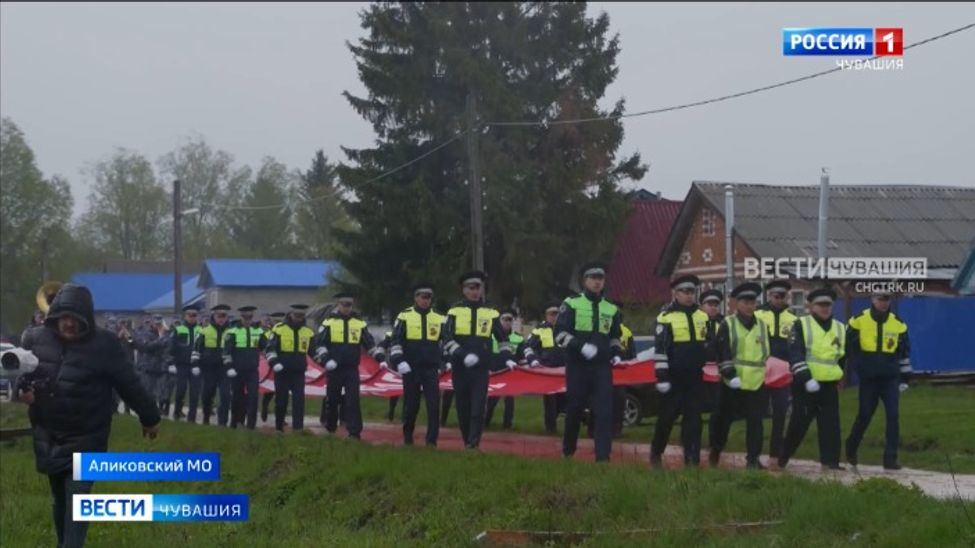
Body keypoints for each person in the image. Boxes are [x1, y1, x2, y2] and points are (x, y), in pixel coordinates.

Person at [17, 283, 160, 548]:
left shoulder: (105, 345)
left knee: (78, 501)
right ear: (55, 315)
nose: (69, 324)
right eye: (65, 318)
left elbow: (129, 383)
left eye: (76, 319)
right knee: (60, 499)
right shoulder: (34, 339)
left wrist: (149, 417)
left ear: (87, 319)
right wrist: (22, 391)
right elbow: (18, 376)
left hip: (87, 437)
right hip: (48, 435)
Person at [555, 261, 624, 462]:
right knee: (575, 409)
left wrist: (616, 352)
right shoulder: (571, 303)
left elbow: (614, 336)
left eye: (600, 278)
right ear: (585, 281)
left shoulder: (611, 308)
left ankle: (603, 456)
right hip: (577, 365)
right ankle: (568, 451)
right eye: (593, 278)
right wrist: (579, 346)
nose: (596, 282)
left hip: (602, 367)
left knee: (604, 410)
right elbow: (559, 334)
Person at [443, 271, 514, 449]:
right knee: (462, 406)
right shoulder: (454, 311)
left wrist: (507, 358)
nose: (475, 291)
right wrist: (462, 354)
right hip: (460, 367)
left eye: (478, 288)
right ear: (464, 290)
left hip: (481, 368)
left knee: (478, 407)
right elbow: (447, 338)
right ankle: (466, 439)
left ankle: (473, 443)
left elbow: (502, 338)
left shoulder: (490, 312)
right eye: (471, 288)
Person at [779, 288, 847, 471]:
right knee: (798, 425)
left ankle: (830, 462)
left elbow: (842, 357)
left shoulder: (840, 327)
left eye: (828, 305)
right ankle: (782, 458)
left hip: (828, 386)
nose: (825, 309)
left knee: (831, 425)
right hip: (805, 385)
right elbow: (795, 353)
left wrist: (839, 375)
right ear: (811, 306)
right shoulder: (801, 325)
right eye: (820, 305)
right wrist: (806, 378)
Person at [845, 289, 912, 470]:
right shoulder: (858, 320)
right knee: (865, 415)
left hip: (890, 379)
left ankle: (890, 459)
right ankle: (851, 447)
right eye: (880, 299)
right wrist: (857, 367)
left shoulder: (898, 324)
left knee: (893, 416)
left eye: (887, 299)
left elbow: (904, 352)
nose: (884, 303)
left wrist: (905, 378)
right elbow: (849, 346)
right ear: (872, 299)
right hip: (869, 379)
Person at [708, 282, 771, 469]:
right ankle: (716, 450)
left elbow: (766, 353)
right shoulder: (728, 324)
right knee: (723, 420)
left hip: (756, 382)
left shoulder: (762, 325)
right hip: (732, 382)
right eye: (745, 302)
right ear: (737, 304)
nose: (749, 306)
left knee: (756, 423)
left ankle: (753, 459)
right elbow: (722, 351)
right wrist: (729, 373)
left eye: (752, 302)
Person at [650, 275, 709, 467]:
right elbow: (661, 350)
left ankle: (692, 458)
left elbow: (707, 343)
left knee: (694, 420)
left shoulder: (702, 316)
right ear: (675, 293)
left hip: (695, 377)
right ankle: (656, 453)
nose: (689, 296)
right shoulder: (665, 317)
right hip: (674, 377)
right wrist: (662, 377)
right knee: (667, 418)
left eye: (692, 292)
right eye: (685, 292)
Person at [314, 293, 386, 439]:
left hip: (352, 368)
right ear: (338, 305)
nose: (347, 308)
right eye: (344, 305)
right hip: (334, 368)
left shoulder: (358, 323)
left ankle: (354, 432)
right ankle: (331, 426)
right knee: (332, 399)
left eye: (349, 305)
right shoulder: (329, 323)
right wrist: (326, 360)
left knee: (352, 400)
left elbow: (369, 344)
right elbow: (319, 345)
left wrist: (380, 358)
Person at [389, 283, 445, 446]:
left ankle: (431, 440)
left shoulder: (439, 318)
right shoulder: (404, 316)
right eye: (422, 297)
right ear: (416, 298)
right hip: (411, 367)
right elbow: (396, 339)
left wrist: (445, 362)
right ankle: (407, 437)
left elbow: (446, 340)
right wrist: (399, 361)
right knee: (411, 405)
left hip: (431, 368)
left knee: (434, 405)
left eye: (428, 297)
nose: (425, 301)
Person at [754, 280, 798, 461]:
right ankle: (754, 452)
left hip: (783, 371)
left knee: (780, 411)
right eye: (776, 296)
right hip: (761, 369)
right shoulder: (758, 315)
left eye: (782, 296)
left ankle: (775, 451)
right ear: (769, 296)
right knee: (757, 412)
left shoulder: (794, 319)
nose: (779, 299)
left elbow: (795, 346)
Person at [265, 305, 316, 432]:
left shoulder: (307, 331)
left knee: (299, 401)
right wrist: (274, 362)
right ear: (291, 314)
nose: (299, 318)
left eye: (301, 316)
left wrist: (325, 362)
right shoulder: (279, 329)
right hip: (282, 372)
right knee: (281, 401)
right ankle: (279, 427)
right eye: (296, 315)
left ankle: (298, 429)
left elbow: (313, 352)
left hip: (298, 372)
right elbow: (270, 349)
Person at [523, 303, 566, 434]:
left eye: (557, 313)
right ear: (546, 315)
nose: (555, 316)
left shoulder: (564, 329)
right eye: (552, 314)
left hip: (563, 371)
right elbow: (528, 346)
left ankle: (557, 421)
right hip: (548, 371)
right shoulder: (539, 330)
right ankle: (550, 428)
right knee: (550, 401)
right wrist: (533, 360)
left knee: (563, 400)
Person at [223, 306, 264, 429]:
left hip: (252, 370)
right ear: (240, 317)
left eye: (250, 318)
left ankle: (251, 425)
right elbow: (226, 352)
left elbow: (266, 346)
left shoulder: (258, 331)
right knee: (237, 397)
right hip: (237, 370)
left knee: (253, 398)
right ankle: (236, 422)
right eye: (245, 318)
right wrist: (229, 367)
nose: (248, 320)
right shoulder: (232, 332)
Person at [192, 304, 233, 426]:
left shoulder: (231, 332)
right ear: (213, 316)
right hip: (208, 368)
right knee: (207, 394)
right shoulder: (204, 331)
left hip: (224, 368)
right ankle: (206, 416)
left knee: (225, 395)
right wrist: (195, 364)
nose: (221, 319)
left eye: (223, 316)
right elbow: (196, 349)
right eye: (218, 316)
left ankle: (222, 423)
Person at [485, 310, 524, 430]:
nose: (507, 322)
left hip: (509, 372)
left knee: (509, 401)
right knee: (492, 399)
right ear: (499, 321)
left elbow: (520, 355)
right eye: (505, 319)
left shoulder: (517, 338)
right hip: (495, 372)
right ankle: (485, 423)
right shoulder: (490, 335)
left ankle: (507, 425)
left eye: (510, 320)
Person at [169, 305, 203, 422]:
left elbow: (204, 348)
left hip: (196, 366)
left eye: (194, 315)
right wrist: (171, 363)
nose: (192, 317)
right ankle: (177, 413)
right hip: (181, 365)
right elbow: (171, 349)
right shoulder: (178, 330)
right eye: (190, 315)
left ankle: (192, 417)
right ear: (185, 316)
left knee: (194, 393)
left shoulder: (201, 330)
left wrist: (200, 364)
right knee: (180, 390)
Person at [132, 314, 169, 416]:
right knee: (148, 391)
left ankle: (160, 409)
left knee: (162, 392)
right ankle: (146, 411)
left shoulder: (165, 333)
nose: (157, 325)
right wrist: (160, 338)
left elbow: (169, 348)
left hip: (161, 366)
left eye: (159, 323)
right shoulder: (144, 333)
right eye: (155, 322)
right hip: (148, 366)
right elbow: (146, 347)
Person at [260, 311, 287, 424]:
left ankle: (280, 417)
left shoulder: (285, 331)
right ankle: (264, 407)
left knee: (283, 393)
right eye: (275, 321)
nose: (277, 323)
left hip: (283, 364)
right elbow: (261, 348)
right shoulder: (265, 334)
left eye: (279, 321)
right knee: (269, 391)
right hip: (269, 365)